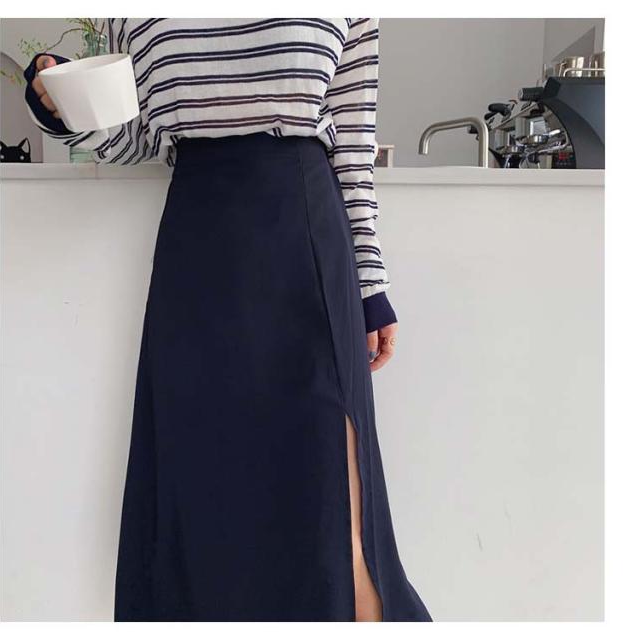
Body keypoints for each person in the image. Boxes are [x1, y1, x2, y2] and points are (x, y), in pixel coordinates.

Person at [24, 18, 432, 622]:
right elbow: (135, 137)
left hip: (304, 241)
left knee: (336, 522)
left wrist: (370, 285)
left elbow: (352, 141)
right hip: (198, 246)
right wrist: (63, 103)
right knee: (203, 506)